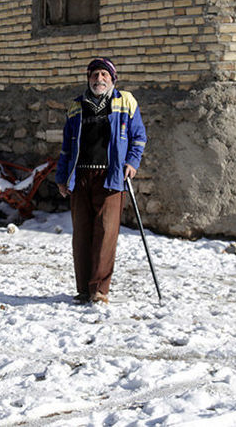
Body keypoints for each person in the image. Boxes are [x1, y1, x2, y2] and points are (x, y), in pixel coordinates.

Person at [54, 58, 147, 305]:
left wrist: (132, 163)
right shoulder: (76, 107)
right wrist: (62, 177)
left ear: (112, 79)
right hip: (81, 177)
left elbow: (139, 137)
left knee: (106, 233)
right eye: (95, 75)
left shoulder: (125, 101)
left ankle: (99, 290)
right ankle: (84, 288)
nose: (99, 79)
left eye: (104, 75)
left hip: (111, 177)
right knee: (82, 233)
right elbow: (66, 147)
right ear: (89, 79)